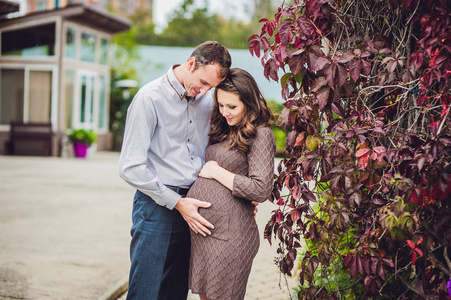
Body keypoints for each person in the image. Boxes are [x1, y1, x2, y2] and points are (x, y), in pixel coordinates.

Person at [118, 41, 231, 300]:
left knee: (176, 291)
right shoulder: (149, 98)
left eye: (211, 87)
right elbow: (130, 167)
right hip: (157, 206)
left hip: (196, 206)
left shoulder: (207, 102)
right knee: (147, 290)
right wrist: (177, 203)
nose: (204, 92)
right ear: (191, 63)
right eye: (203, 82)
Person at [187, 68, 276, 300]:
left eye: (232, 107)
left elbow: (262, 188)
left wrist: (217, 172)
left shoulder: (261, 134)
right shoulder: (226, 128)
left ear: (249, 102)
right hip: (206, 233)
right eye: (221, 105)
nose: (225, 112)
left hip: (231, 235)